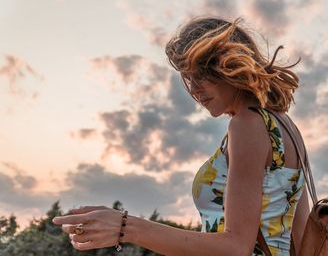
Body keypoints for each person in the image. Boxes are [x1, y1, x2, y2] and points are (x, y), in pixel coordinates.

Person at [53, 16, 309, 256]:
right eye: (188, 79)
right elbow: (302, 234)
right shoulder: (285, 126)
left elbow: (236, 247)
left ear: (229, 67)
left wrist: (125, 227)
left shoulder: (246, 125)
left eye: (201, 76)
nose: (195, 90)